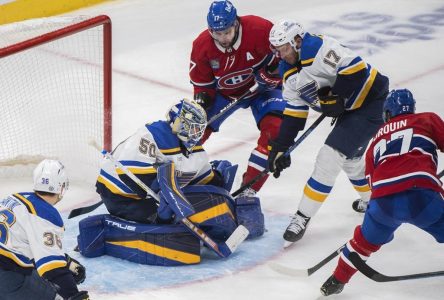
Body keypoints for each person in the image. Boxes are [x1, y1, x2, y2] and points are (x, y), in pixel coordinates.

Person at [267, 20, 390, 247]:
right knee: (350, 160)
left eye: (284, 48)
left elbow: (355, 68)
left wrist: (336, 95)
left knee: (329, 156)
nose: (281, 55)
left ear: (297, 41)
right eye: (277, 50)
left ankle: (302, 217)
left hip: (372, 103)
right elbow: (295, 113)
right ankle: (374, 201)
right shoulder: (287, 73)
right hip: (350, 111)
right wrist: (281, 146)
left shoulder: (317, 48)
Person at [320, 89, 444, 296]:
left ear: (387, 113)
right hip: (421, 194)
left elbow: (371, 182)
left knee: (362, 243)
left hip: (382, 202)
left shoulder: (376, 139)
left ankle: (334, 281)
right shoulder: (427, 119)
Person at [95, 99, 263, 243]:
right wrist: (166, 196)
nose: (196, 134)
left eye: (199, 129)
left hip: (147, 196)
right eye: (192, 128)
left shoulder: (192, 149)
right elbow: (133, 176)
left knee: (191, 206)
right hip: (119, 196)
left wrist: (218, 181)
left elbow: (204, 179)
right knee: (167, 224)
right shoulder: (153, 135)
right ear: (178, 123)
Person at [189, 0, 294, 198]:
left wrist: (272, 75)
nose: (223, 38)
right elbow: (202, 84)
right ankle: (174, 175)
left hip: (265, 91)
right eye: (217, 33)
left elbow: (287, 57)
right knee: (193, 129)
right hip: (224, 94)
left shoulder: (261, 29)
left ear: (236, 23)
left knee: (275, 132)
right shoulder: (201, 46)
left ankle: (248, 191)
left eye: (226, 32)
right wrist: (203, 99)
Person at [0, 159, 89, 300]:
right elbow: (54, 270)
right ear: (61, 188)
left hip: (5, 265)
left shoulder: (14, 197)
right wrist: (74, 295)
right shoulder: (46, 215)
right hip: (7, 279)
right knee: (56, 294)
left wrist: (65, 260)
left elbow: (22, 243)